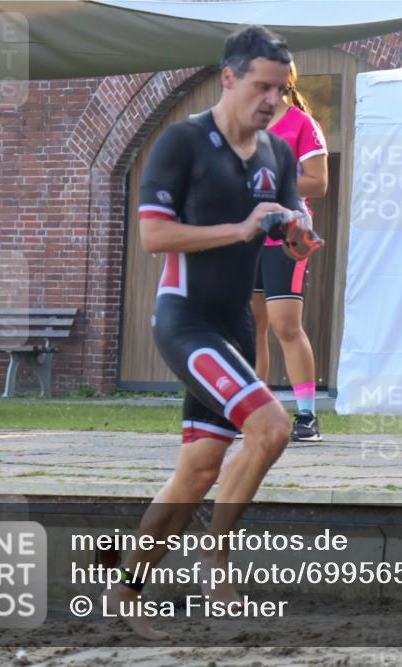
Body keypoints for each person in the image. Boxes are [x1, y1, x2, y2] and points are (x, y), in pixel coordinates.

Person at [103, 25, 309, 641]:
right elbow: (153, 237)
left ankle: (125, 588)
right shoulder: (183, 142)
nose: (272, 100)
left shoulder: (280, 155)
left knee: (197, 472)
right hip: (185, 321)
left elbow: (286, 227)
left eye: (281, 89)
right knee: (272, 427)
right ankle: (215, 557)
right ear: (229, 77)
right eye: (262, 86)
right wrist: (241, 228)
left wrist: (296, 236)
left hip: (235, 327)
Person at [251, 60, 329, 442]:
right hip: (245, 237)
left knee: (285, 324)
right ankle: (251, 412)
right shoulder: (242, 123)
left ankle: (307, 417)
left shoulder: (302, 124)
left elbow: (319, 183)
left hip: (287, 236)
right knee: (251, 327)